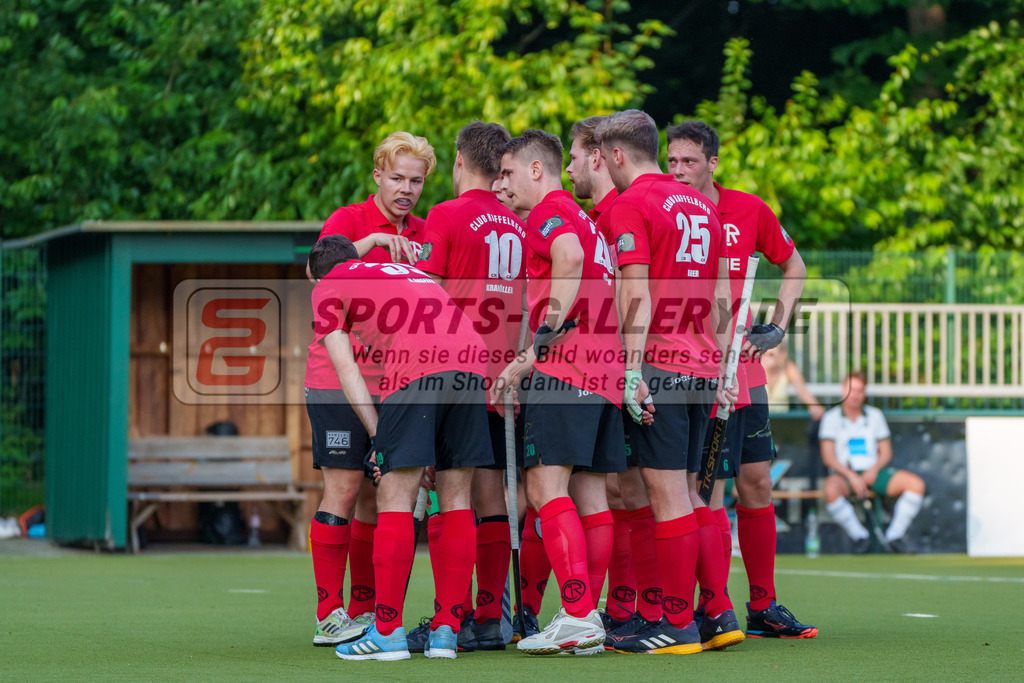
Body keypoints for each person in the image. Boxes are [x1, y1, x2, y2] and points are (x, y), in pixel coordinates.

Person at [667, 119, 818, 640]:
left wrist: (775, 326)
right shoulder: (663, 208)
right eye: (672, 161)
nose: (680, 171)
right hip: (690, 372)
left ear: (713, 162)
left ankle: (764, 606)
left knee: (755, 484)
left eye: (690, 161)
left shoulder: (747, 210)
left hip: (744, 371)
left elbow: (793, 266)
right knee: (703, 489)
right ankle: (705, 604)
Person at [311, 235, 494, 661]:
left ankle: (388, 631)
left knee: (395, 494)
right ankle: (447, 631)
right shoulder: (400, 271)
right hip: (472, 359)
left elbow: (347, 368)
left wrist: (379, 437)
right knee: (455, 498)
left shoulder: (326, 286)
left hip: (419, 363)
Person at [597, 109, 735, 654]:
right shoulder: (702, 203)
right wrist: (724, 365)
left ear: (615, 155)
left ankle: (676, 625)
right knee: (695, 495)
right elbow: (723, 290)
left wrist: (631, 369)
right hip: (703, 366)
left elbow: (636, 291)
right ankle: (711, 615)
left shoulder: (632, 203)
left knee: (666, 493)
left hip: (661, 363)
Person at [491, 129, 624, 655]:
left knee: (546, 490)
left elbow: (566, 259)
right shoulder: (585, 218)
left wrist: (536, 347)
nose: (502, 183)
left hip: (567, 370)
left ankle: (576, 613)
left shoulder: (551, 214)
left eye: (507, 172)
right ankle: (584, 613)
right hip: (604, 372)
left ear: (535, 170)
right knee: (591, 498)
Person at [306, 131, 435, 647]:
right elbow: (315, 276)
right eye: (397, 177)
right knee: (344, 488)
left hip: (401, 384)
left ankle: (366, 610)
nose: (406, 189)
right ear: (377, 175)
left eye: (417, 180)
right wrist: (374, 244)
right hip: (337, 380)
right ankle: (328, 614)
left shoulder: (427, 232)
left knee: (385, 498)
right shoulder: (347, 220)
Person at [412, 121, 527, 651]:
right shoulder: (522, 220)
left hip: (455, 374)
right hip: (507, 375)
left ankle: (448, 617)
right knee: (493, 496)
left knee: (448, 495)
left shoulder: (446, 214)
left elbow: (427, 297)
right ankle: (488, 616)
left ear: (459, 161)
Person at [566, 115, 643, 634]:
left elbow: (632, 297)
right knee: (613, 493)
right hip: (611, 369)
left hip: (621, 369)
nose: (570, 167)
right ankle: (621, 606)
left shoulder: (619, 212)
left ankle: (640, 606)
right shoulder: (597, 217)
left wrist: (632, 369)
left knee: (634, 493)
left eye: (574, 155)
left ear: (598, 156)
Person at [819, 372, 926, 553]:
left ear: (865, 393)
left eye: (860, 390)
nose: (855, 395)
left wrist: (874, 469)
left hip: (874, 473)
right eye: (851, 390)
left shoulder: (875, 416)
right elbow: (829, 457)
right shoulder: (831, 418)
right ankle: (860, 537)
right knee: (830, 489)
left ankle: (894, 536)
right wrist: (851, 476)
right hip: (845, 475)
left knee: (916, 485)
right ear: (843, 390)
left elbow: (886, 451)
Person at [762, 342, 825, 419]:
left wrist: (814, 406)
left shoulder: (788, 368)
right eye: (763, 353)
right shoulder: (753, 368)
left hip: (781, 422)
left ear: (782, 355)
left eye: (771, 355)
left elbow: (802, 390)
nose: (765, 358)